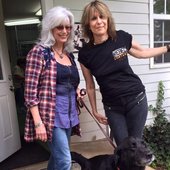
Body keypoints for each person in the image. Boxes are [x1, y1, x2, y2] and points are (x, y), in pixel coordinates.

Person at [78, 0, 170, 146]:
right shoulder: (85, 54)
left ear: (108, 19)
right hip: (112, 107)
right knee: (122, 147)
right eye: (94, 18)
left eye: (102, 17)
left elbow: (142, 52)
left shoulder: (120, 37)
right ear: (88, 24)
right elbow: (90, 85)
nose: (99, 22)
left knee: (135, 146)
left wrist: (167, 48)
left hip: (136, 99)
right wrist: (95, 111)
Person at [24, 6, 81, 170]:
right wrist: (38, 123)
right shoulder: (39, 53)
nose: (65, 31)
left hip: (69, 114)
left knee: (58, 158)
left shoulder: (69, 54)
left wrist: (77, 91)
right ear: (51, 28)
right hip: (51, 116)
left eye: (68, 27)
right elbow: (30, 92)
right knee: (64, 161)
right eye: (60, 27)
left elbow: (70, 81)